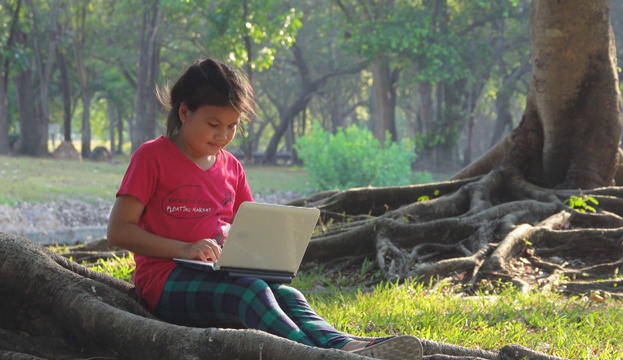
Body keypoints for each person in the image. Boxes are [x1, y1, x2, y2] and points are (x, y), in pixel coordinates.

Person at [107, 58, 423, 360]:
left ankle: (347, 346)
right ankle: (313, 355)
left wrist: (249, 252)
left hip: (218, 276)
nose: (223, 135)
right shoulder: (152, 157)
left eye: (232, 126)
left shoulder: (231, 168)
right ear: (185, 112)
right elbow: (119, 230)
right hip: (164, 282)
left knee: (288, 295)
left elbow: (250, 231)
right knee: (251, 293)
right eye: (213, 124)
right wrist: (185, 248)